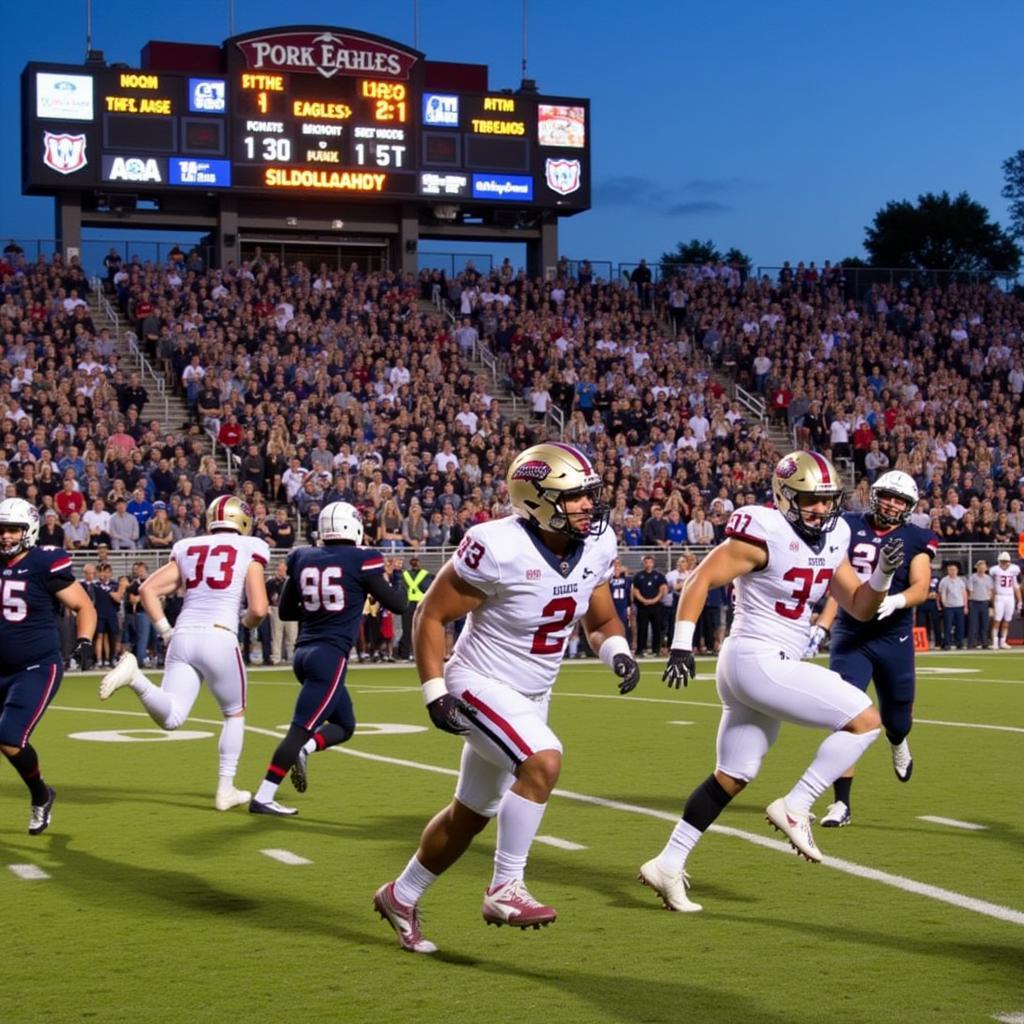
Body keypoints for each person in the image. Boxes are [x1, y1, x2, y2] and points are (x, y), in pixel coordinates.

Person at [373, 442, 639, 953]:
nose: (589, 505)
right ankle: (505, 886)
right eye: (576, 497)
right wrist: (433, 692)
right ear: (536, 499)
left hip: (533, 692)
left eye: (590, 495)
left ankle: (400, 896)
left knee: (470, 814)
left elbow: (600, 619)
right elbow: (430, 614)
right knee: (542, 763)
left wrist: (618, 653)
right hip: (479, 681)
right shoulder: (497, 546)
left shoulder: (597, 542)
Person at [638, 451, 901, 913]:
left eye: (826, 500)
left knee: (734, 775)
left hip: (761, 664)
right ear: (783, 497)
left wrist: (881, 574)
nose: (821, 510)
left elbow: (859, 605)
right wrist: (681, 643)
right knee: (865, 720)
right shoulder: (764, 532)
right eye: (809, 500)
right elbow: (701, 579)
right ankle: (797, 804)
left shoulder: (834, 535)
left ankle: (668, 862)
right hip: (758, 657)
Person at [98, 496, 270, 812]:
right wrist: (245, 623)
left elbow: (148, 589)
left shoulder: (188, 546)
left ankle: (136, 678)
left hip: (184, 633)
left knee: (174, 716)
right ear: (243, 521)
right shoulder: (251, 547)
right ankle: (225, 788)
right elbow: (259, 608)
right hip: (220, 633)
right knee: (234, 713)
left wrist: (165, 631)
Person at [248, 502, 408, 815]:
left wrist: (321, 606)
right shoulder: (363, 558)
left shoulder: (302, 556)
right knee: (300, 728)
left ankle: (304, 752)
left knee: (345, 724)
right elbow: (399, 604)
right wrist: (397, 575)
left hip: (304, 653)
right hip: (329, 656)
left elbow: (288, 611)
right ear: (354, 526)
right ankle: (264, 796)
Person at [804, 471, 939, 827]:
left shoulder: (917, 537)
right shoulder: (846, 525)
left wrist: (897, 600)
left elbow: (922, 585)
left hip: (893, 636)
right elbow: (838, 581)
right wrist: (823, 625)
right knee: (844, 716)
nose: (892, 504)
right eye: (888, 496)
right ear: (875, 495)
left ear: (908, 507)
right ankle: (841, 803)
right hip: (851, 636)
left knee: (897, 718)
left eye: (900, 500)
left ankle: (898, 741)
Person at [0, 498, 96, 835]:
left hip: (36, 666)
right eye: (2, 530)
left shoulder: (44, 563)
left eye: (12, 529)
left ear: (29, 530)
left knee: (9, 737)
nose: (6, 537)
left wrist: (84, 641)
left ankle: (41, 795)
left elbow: (83, 606)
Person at [396, 555, 432, 660]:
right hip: (416, 603)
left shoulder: (405, 575)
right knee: (411, 629)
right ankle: (409, 654)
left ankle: (407, 654)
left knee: (411, 629)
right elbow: (426, 588)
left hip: (414, 603)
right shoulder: (425, 575)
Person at [632, 554, 667, 656]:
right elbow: (635, 590)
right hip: (642, 606)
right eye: (646, 562)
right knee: (642, 628)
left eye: (650, 562)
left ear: (653, 563)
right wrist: (643, 600)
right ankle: (640, 650)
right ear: (643, 563)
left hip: (656, 606)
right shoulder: (638, 576)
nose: (648, 564)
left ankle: (656, 650)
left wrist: (654, 600)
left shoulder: (659, 576)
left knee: (657, 628)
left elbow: (663, 589)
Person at [989, 551, 1022, 650]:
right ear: (999, 561)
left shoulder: (1013, 571)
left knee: (1007, 620)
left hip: (1010, 597)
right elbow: (992, 588)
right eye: (1002, 561)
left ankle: (1003, 641)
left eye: (1006, 561)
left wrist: (1020, 601)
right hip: (1000, 596)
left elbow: (1016, 587)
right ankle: (995, 642)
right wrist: (992, 601)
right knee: (997, 620)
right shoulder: (995, 570)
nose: (1004, 563)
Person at [937, 561, 968, 650]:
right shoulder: (944, 581)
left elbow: (964, 593)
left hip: (959, 605)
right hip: (949, 607)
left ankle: (959, 642)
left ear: (957, 570)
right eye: (950, 569)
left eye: (954, 569)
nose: (952, 571)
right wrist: (944, 604)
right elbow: (942, 593)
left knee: (960, 625)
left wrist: (965, 606)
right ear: (948, 570)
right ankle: (947, 643)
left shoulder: (961, 581)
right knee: (948, 626)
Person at [967, 559, 994, 649]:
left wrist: (989, 601)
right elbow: (969, 590)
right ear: (977, 567)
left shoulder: (988, 578)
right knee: (973, 624)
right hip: (974, 602)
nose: (982, 569)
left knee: (984, 624)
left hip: (984, 602)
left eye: (983, 567)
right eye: (980, 567)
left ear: (986, 568)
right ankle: (972, 642)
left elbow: (990, 590)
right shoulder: (972, 577)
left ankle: (984, 642)